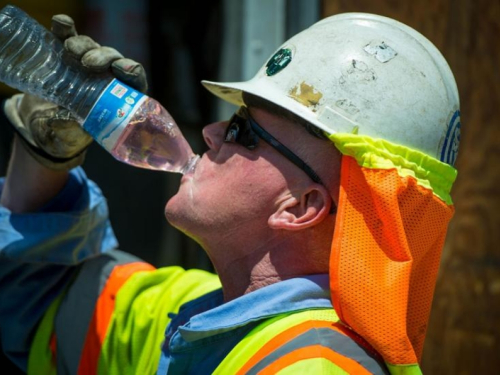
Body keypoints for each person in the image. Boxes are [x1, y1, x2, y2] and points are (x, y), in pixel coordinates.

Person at [0, 11, 460, 375]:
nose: (212, 130)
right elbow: (37, 305)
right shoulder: (193, 313)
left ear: (300, 207)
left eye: (244, 130)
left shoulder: (313, 368)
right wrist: (45, 155)